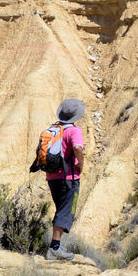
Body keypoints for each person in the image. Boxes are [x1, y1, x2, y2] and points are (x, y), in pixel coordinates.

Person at [43, 98, 85, 260]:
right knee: (66, 210)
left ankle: (57, 245)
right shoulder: (74, 131)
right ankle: (54, 248)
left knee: (61, 209)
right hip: (69, 177)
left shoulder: (53, 129)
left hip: (52, 177)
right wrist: (81, 164)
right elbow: (77, 148)